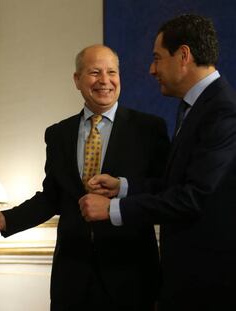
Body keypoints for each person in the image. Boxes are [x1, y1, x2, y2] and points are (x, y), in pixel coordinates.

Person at [0, 44, 170, 310]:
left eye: (112, 72)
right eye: (94, 72)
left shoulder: (149, 129)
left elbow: (164, 191)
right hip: (73, 277)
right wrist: (7, 219)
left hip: (131, 275)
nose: (105, 80)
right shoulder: (58, 134)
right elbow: (52, 197)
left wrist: (122, 191)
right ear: (77, 79)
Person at [81, 14, 236, 311]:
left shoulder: (223, 111)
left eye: (157, 58)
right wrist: (123, 187)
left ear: (184, 56)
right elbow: (175, 183)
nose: (152, 70)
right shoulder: (194, 107)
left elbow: (193, 197)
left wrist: (113, 209)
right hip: (186, 280)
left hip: (212, 283)